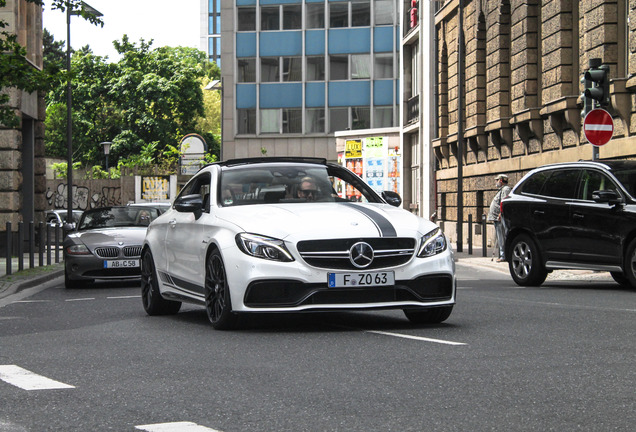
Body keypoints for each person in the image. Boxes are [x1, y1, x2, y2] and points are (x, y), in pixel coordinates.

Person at [487, 173, 512, 262]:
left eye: (497, 180)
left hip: (500, 217)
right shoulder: (501, 189)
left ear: (501, 180)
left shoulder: (505, 189)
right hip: (497, 217)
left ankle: (503, 255)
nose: (496, 182)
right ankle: (502, 255)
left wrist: (501, 214)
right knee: (500, 236)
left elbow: (503, 202)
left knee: (501, 236)